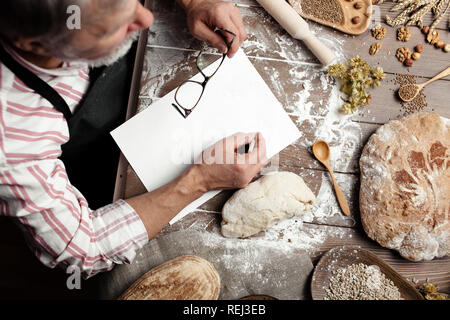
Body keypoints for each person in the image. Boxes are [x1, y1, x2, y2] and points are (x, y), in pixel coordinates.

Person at [0, 0, 267, 285]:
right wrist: (200, 180)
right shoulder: (11, 139)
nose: (147, 18)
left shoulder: (76, 23)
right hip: (82, 158)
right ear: (34, 44)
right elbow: (81, 248)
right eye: (110, 27)